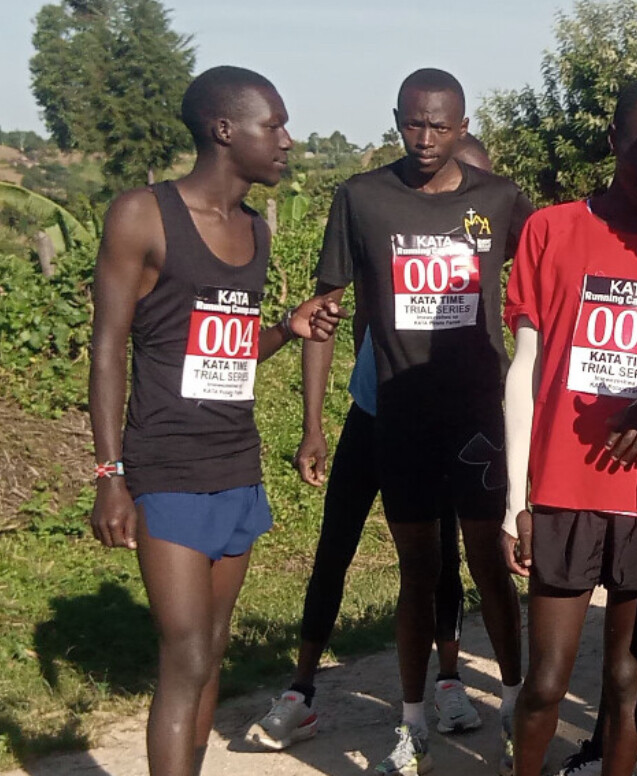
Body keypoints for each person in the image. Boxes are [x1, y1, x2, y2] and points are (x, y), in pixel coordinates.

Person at [88, 66, 345, 776]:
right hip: (166, 466)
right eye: (275, 125)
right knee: (187, 653)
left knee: (212, 651)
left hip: (236, 464)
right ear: (224, 130)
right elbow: (108, 347)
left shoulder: (254, 229)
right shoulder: (143, 214)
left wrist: (287, 330)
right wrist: (110, 474)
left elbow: (224, 353)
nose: (287, 141)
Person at [306, 68, 531, 775]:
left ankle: (517, 710)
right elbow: (323, 311)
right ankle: (411, 726)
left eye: (440, 126)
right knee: (418, 573)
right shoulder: (362, 198)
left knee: (492, 568)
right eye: (413, 123)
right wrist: (315, 421)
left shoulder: (499, 199)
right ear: (396, 118)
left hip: (478, 419)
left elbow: (546, 279)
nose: (426, 138)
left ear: (463, 128)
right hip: (400, 419)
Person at [246, 133, 496, 752]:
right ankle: (301, 690)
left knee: (441, 557)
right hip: (373, 412)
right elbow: (328, 315)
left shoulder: (479, 243)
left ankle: (448, 681)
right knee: (335, 545)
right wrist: (313, 425)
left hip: (444, 421)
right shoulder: (386, 224)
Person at [501, 79, 637, 776]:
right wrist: (515, 501)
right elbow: (525, 371)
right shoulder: (550, 230)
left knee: (624, 678)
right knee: (547, 681)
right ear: (613, 142)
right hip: (562, 490)